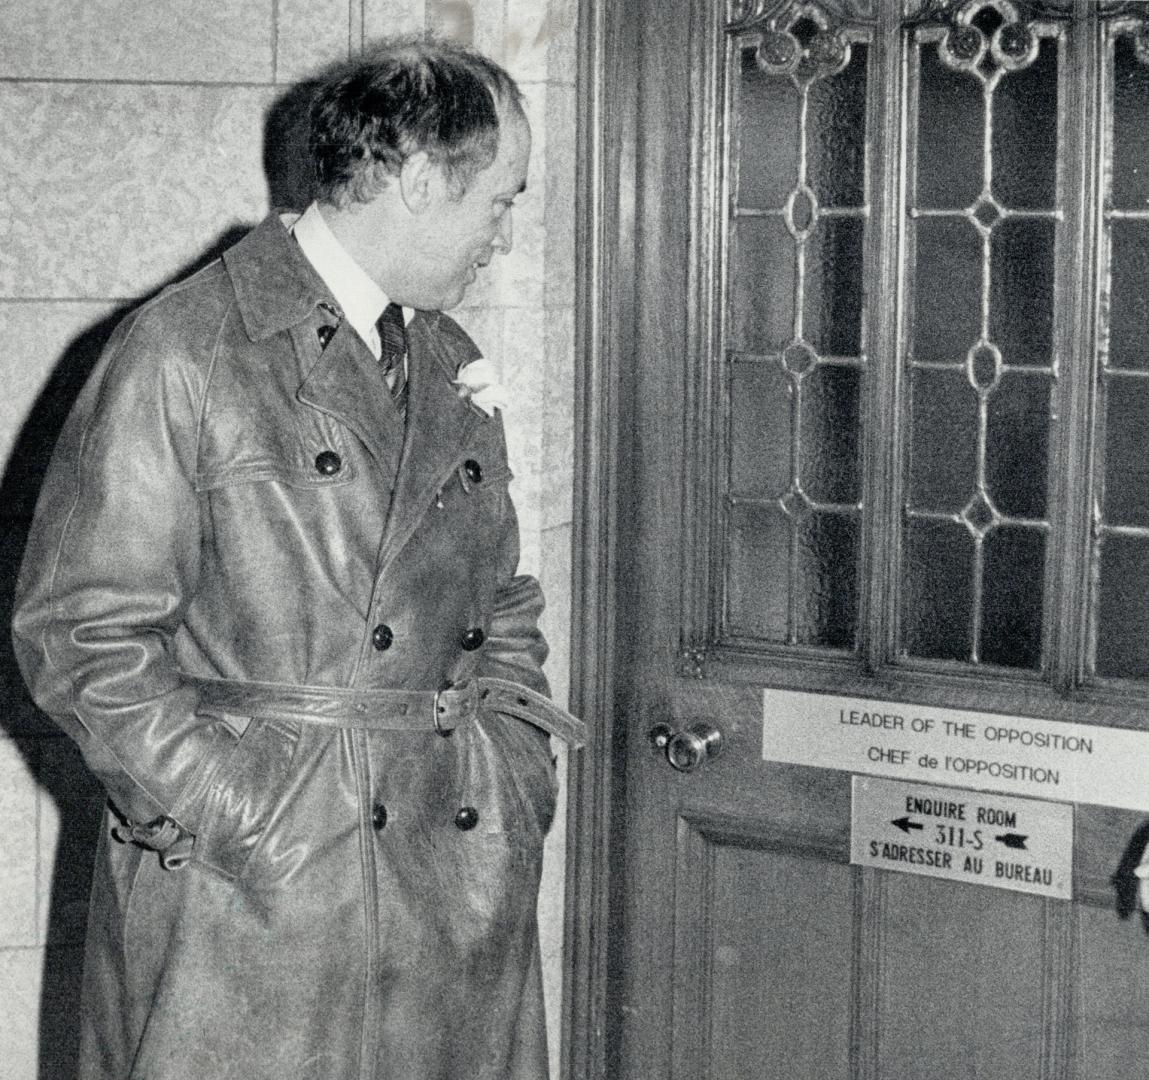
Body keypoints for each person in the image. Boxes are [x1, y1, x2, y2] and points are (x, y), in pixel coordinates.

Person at [12, 37, 584, 1080]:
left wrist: (512, 770)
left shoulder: (446, 356)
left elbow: (501, 599)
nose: (505, 236)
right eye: (500, 202)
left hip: (449, 880)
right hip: (259, 909)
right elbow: (80, 633)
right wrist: (242, 819)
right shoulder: (185, 349)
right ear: (418, 183)